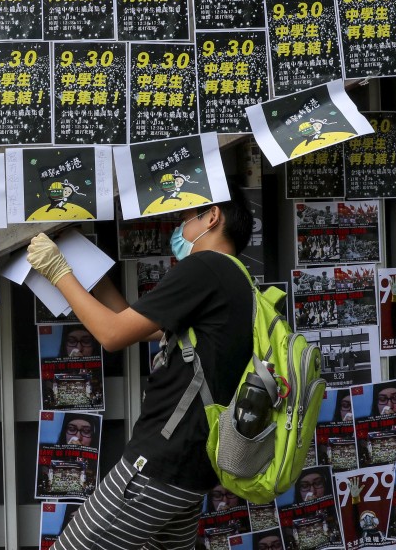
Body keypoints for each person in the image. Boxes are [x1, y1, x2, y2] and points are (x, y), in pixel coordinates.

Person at [28, 183, 255, 550]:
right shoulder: (237, 280)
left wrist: (57, 271)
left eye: (185, 218)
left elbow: (112, 334)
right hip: (193, 470)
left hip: (157, 464)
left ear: (212, 216)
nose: (178, 229)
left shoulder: (204, 267)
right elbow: (131, 321)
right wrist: (86, 270)